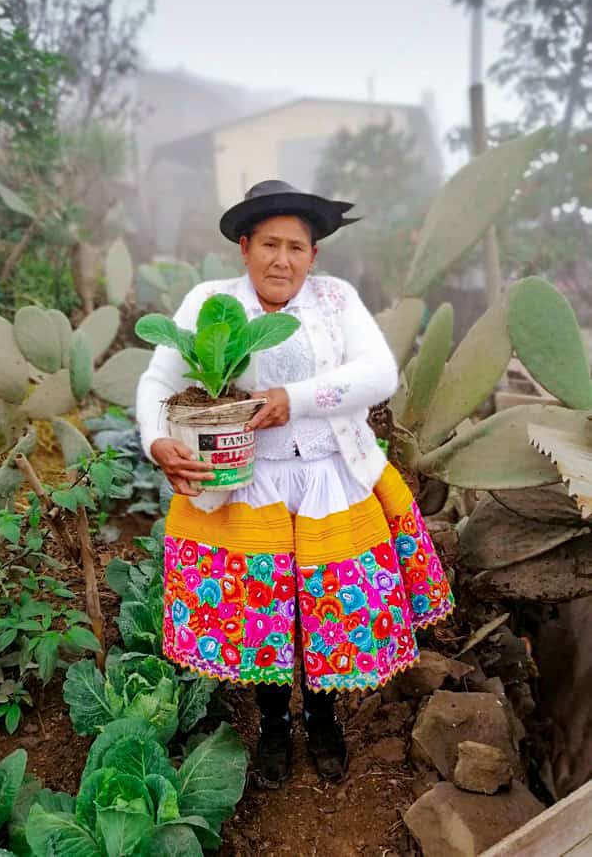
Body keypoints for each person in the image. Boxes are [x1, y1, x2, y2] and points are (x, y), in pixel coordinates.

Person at [136, 180, 455, 788]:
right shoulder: (211, 301)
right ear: (244, 246)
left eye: (297, 248)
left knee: (324, 612)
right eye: (270, 245)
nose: (283, 259)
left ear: (313, 256)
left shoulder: (336, 300)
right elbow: (158, 381)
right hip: (243, 483)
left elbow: (379, 372)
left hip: (332, 478)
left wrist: (296, 399)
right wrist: (157, 439)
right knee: (263, 615)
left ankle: (323, 716)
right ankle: (275, 724)